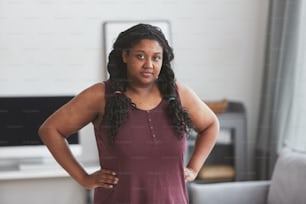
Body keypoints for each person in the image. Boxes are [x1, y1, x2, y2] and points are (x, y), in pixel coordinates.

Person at [38, 23, 219, 204]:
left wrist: (194, 168)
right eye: (140, 56)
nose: (149, 64)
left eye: (156, 58)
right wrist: (83, 178)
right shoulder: (100, 95)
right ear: (125, 55)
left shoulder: (179, 94)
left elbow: (211, 125)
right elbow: (51, 129)